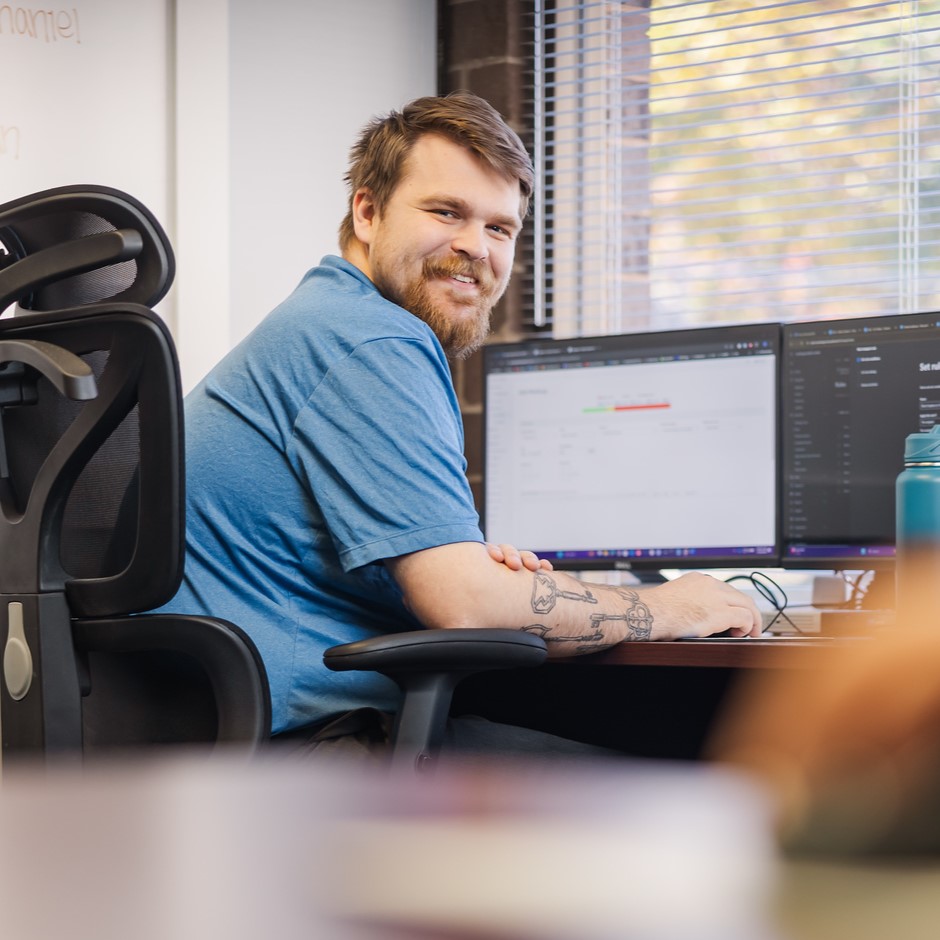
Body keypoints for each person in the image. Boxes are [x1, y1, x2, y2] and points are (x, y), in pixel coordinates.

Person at [156, 92, 761, 755]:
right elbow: (463, 607)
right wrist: (674, 609)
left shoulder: (325, 319)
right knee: (701, 789)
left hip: (245, 736)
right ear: (367, 210)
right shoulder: (370, 338)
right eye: (446, 212)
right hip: (305, 751)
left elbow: (435, 587)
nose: (474, 247)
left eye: (500, 228)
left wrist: (492, 580)